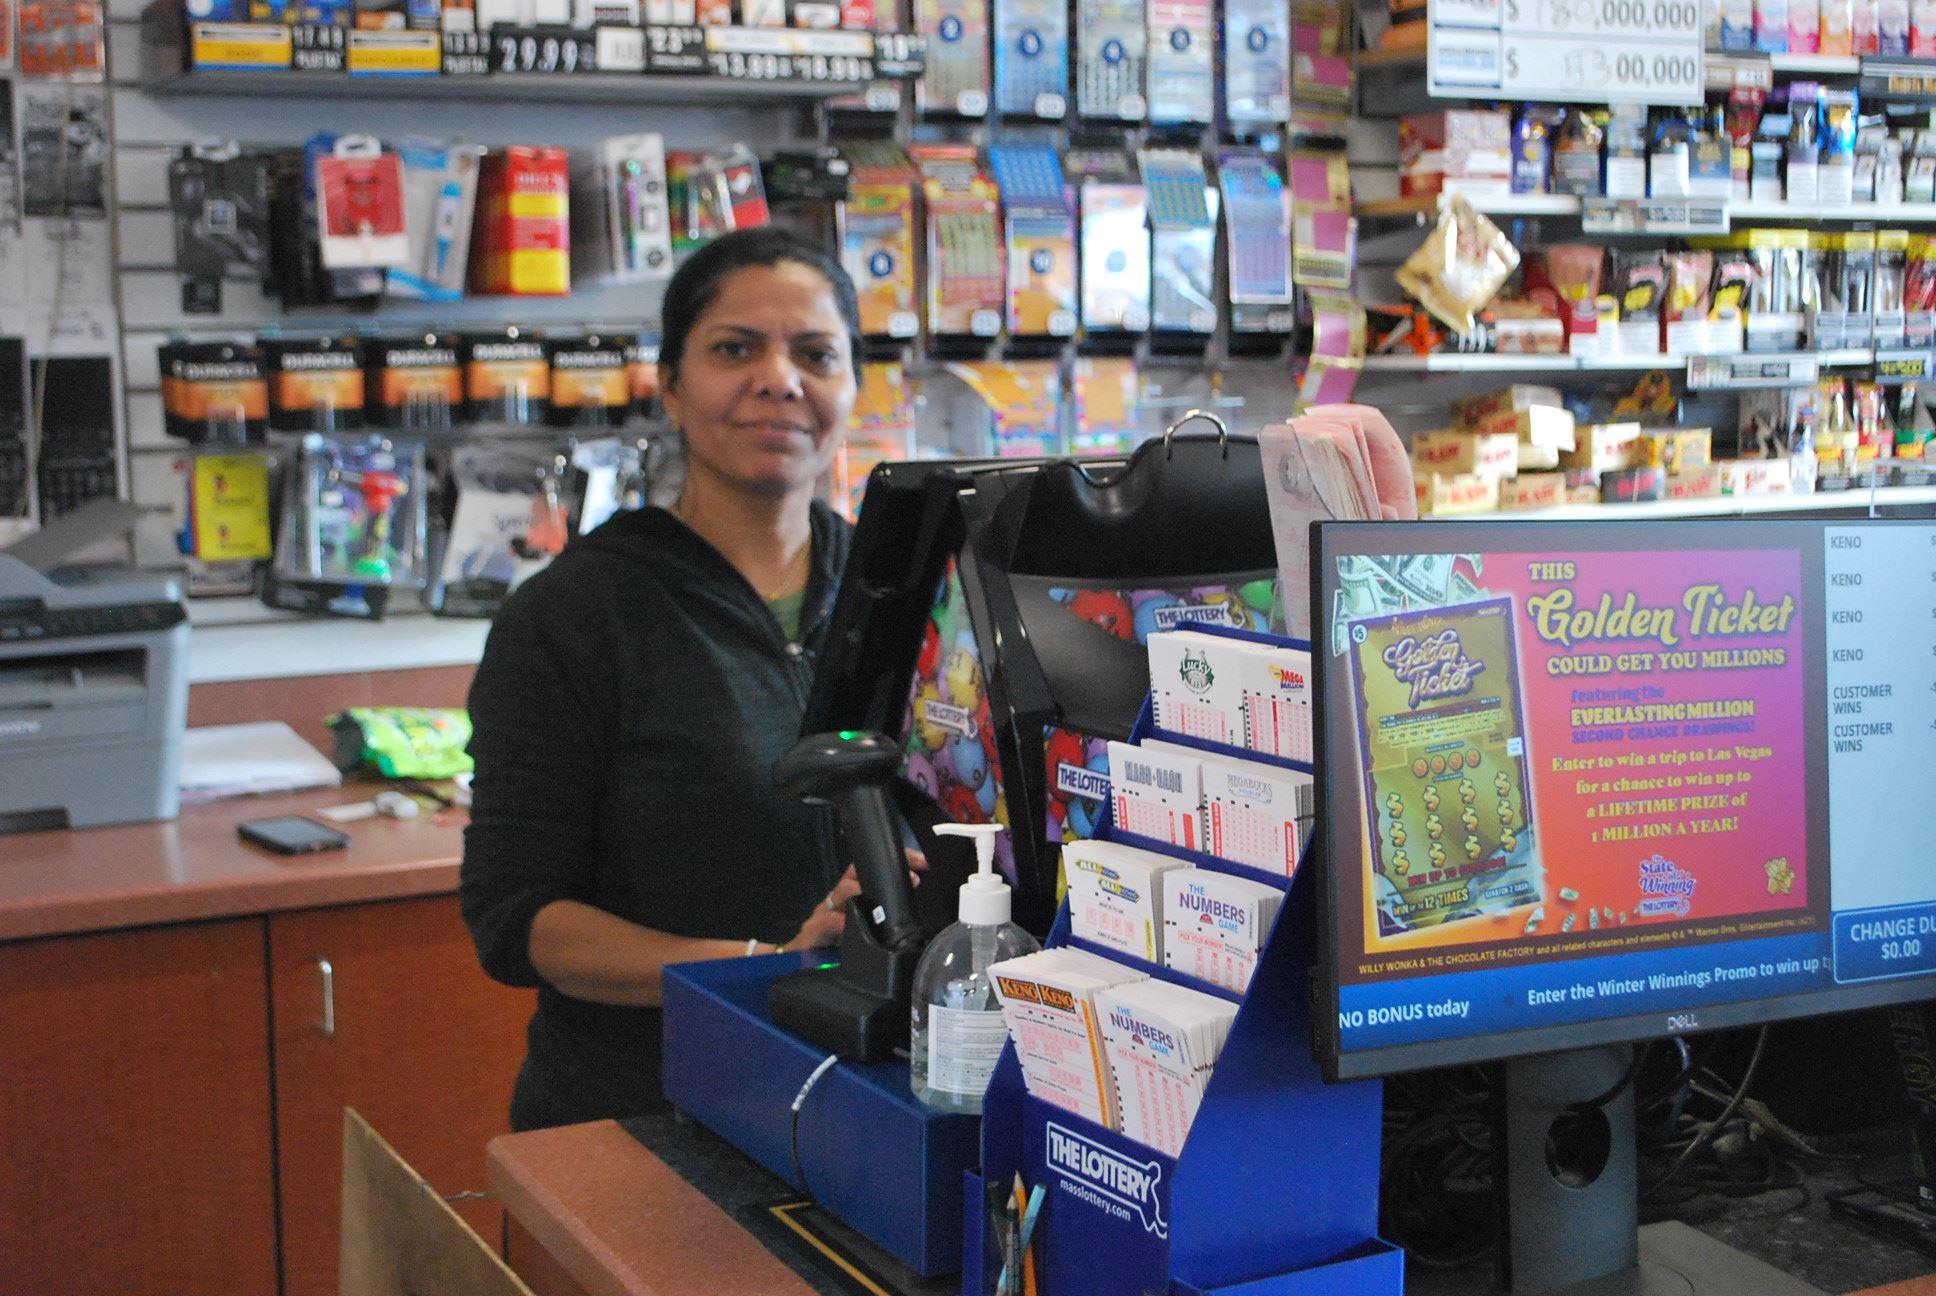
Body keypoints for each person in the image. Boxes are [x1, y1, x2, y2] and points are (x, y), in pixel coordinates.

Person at [461, 227, 872, 1131]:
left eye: (815, 353)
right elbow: (518, 918)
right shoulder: (572, 614)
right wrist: (766, 964)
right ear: (670, 386)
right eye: (735, 349)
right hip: (643, 1115)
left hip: (869, 1102)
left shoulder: (903, 589)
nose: (779, 379)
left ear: (853, 387)